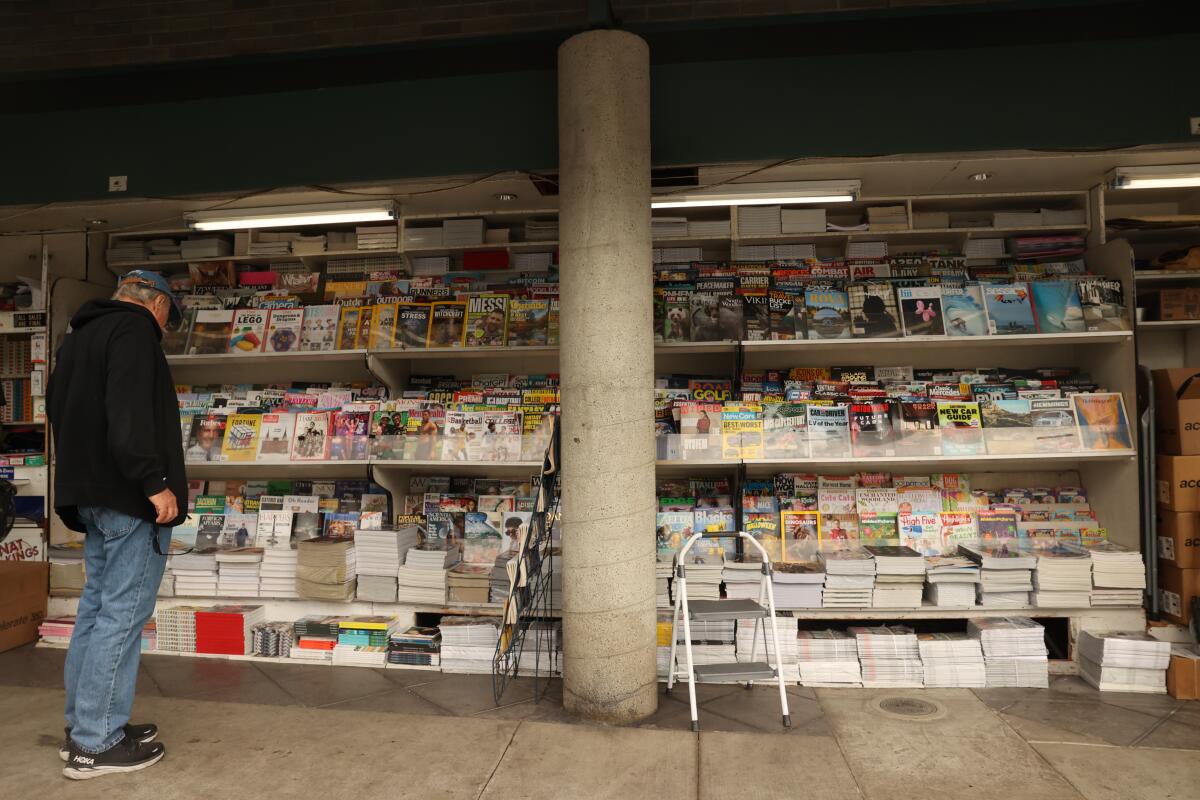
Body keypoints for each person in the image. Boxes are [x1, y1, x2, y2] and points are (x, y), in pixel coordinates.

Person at [47, 271, 187, 780]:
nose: (166, 329)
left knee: (97, 610)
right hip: (129, 498)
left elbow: (60, 412)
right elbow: (128, 413)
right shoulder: (133, 332)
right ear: (157, 305)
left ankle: (84, 726)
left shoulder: (79, 336)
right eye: (169, 318)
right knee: (123, 616)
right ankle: (95, 742)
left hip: (91, 495)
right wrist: (152, 481)